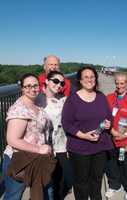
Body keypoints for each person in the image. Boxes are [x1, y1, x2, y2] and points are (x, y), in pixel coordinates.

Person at [61, 66, 113, 200]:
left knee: (97, 180)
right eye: (86, 77)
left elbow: (109, 116)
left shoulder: (101, 97)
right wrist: (84, 135)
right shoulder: (72, 99)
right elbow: (67, 123)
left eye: (92, 77)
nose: (89, 79)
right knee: (81, 182)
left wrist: (108, 124)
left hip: (100, 146)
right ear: (79, 80)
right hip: (79, 147)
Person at [2, 73, 54, 200]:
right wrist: (39, 149)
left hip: (36, 159)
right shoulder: (19, 109)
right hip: (19, 160)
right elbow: (12, 140)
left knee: (46, 192)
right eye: (27, 86)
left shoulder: (36, 104)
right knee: (14, 196)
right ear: (22, 88)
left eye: (35, 85)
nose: (32, 89)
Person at [35, 70, 73, 200]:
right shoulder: (37, 99)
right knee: (46, 181)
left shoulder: (64, 99)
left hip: (61, 145)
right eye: (55, 81)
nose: (59, 85)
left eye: (62, 83)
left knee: (63, 179)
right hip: (43, 146)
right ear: (46, 81)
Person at [105, 73, 127, 200]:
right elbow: (105, 117)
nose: (120, 86)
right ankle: (115, 185)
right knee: (112, 163)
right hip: (112, 136)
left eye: (122, 83)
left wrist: (125, 135)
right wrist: (113, 132)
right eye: (117, 83)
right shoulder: (109, 98)